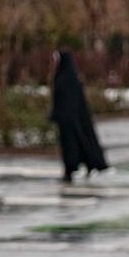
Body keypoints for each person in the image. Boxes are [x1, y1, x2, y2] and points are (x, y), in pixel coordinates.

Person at [49, 50, 107, 183]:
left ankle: (72, 170)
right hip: (69, 120)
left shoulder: (68, 78)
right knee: (76, 145)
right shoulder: (64, 75)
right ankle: (81, 167)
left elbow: (70, 101)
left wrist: (66, 116)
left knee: (74, 146)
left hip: (71, 120)